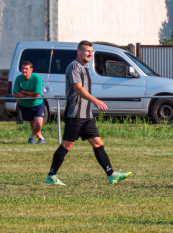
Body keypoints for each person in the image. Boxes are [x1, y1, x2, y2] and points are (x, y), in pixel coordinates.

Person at [45, 40, 131, 186]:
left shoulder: (85, 68)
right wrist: (95, 100)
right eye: (87, 51)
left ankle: (111, 174)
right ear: (79, 51)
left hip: (86, 114)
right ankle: (51, 175)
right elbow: (77, 88)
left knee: (97, 143)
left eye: (92, 51)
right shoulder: (74, 66)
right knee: (67, 145)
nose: (90, 53)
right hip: (76, 113)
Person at [12, 60, 46, 144]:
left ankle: (31, 137)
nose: (24, 70)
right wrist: (30, 95)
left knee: (39, 124)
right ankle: (41, 138)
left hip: (37, 104)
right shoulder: (18, 78)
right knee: (33, 125)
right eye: (23, 68)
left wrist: (23, 92)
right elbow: (15, 94)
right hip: (24, 105)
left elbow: (37, 95)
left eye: (26, 69)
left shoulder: (36, 78)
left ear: (31, 70)